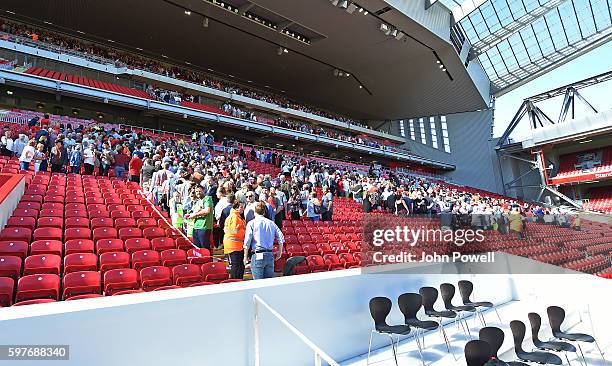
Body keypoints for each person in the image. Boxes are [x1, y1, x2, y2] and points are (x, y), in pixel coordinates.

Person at [243, 201, 284, 280]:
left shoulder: (251, 223)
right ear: (264, 212)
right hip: (269, 255)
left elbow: (247, 241)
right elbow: (281, 238)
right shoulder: (271, 223)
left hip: (258, 254)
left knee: (258, 284)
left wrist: (245, 256)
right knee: (268, 284)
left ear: (255, 212)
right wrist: (280, 252)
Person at [185, 185, 213, 251]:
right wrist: (189, 215)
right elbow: (194, 212)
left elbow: (207, 210)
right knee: (197, 249)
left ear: (203, 191)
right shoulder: (197, 201)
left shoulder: (207, 198)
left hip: (204, 227)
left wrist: (195, 215)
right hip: (196, 227)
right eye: (196, 191)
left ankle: (208, 260)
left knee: (205, 249)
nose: (198, 193)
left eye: (200, 191)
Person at [224, 201, 246, 279]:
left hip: (238, 244)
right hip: (233, 245)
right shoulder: (234, 217)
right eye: (241, 207)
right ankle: (234, 281)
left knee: (240, 265)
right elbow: (234, 231)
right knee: (236, 265)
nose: (243, 209)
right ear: (236, 208)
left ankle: (238, 280)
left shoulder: (238, 217)